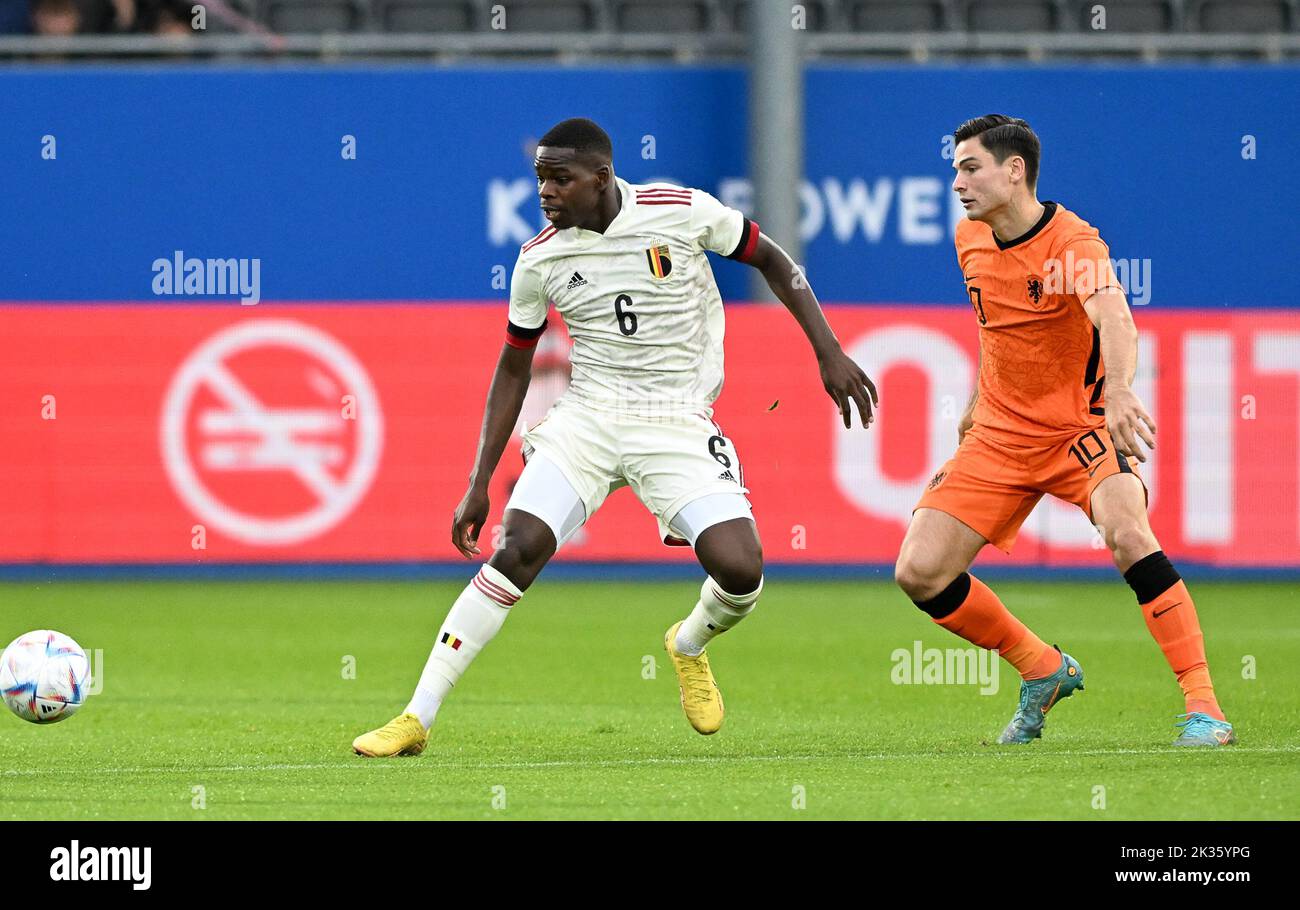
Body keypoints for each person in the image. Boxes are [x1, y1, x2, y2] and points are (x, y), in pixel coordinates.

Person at [353, 117, 878, 756]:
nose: (544, 191)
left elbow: (773, 259)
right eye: (539, 177)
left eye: (560, 179)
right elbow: (514, 364)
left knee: (741, 570)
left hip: (676, 418)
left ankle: (688, 644)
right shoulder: (540, 257)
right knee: (516, 549)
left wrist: (828, 352)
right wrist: (478, 482)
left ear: (601, 177)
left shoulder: (681, 212)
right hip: (589, 419)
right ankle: (416, 717)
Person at [895, 114, 1233, 747]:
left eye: (970, 168)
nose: (958, 183)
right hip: (998, 434)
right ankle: (1042, 668)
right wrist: (974, 403)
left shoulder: (1073, 245)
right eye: (955, 171)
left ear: (1014, 170)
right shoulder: (970, 237)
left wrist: (1122, 391)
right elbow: (996, 327)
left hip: (1079, 430)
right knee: (919, 572)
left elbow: (1116, 319)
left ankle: (1204, 708)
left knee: (1129, 531)